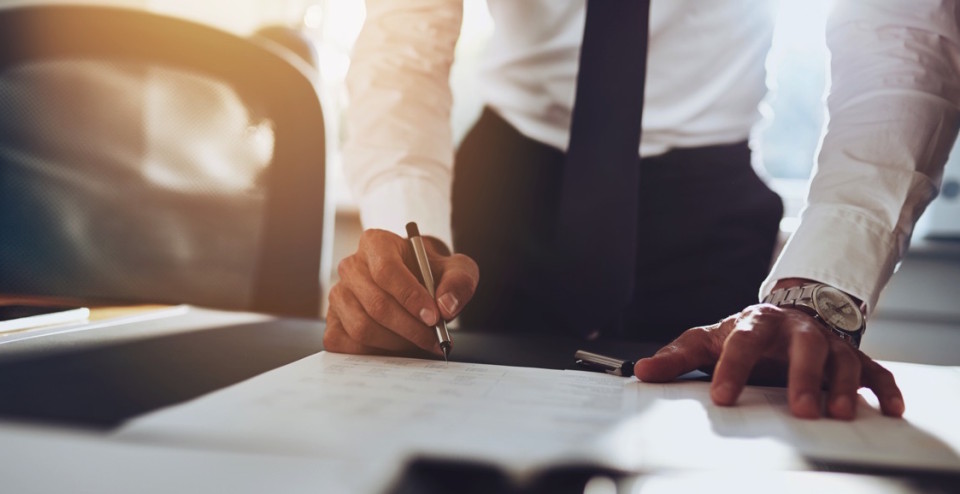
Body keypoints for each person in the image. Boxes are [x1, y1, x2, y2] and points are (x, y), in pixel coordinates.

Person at [325, 0, 960, 421]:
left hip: (707, 205)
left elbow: (904, 37)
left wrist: (822, 287)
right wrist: (407, 233)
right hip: (507, 187)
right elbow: (404, 39)